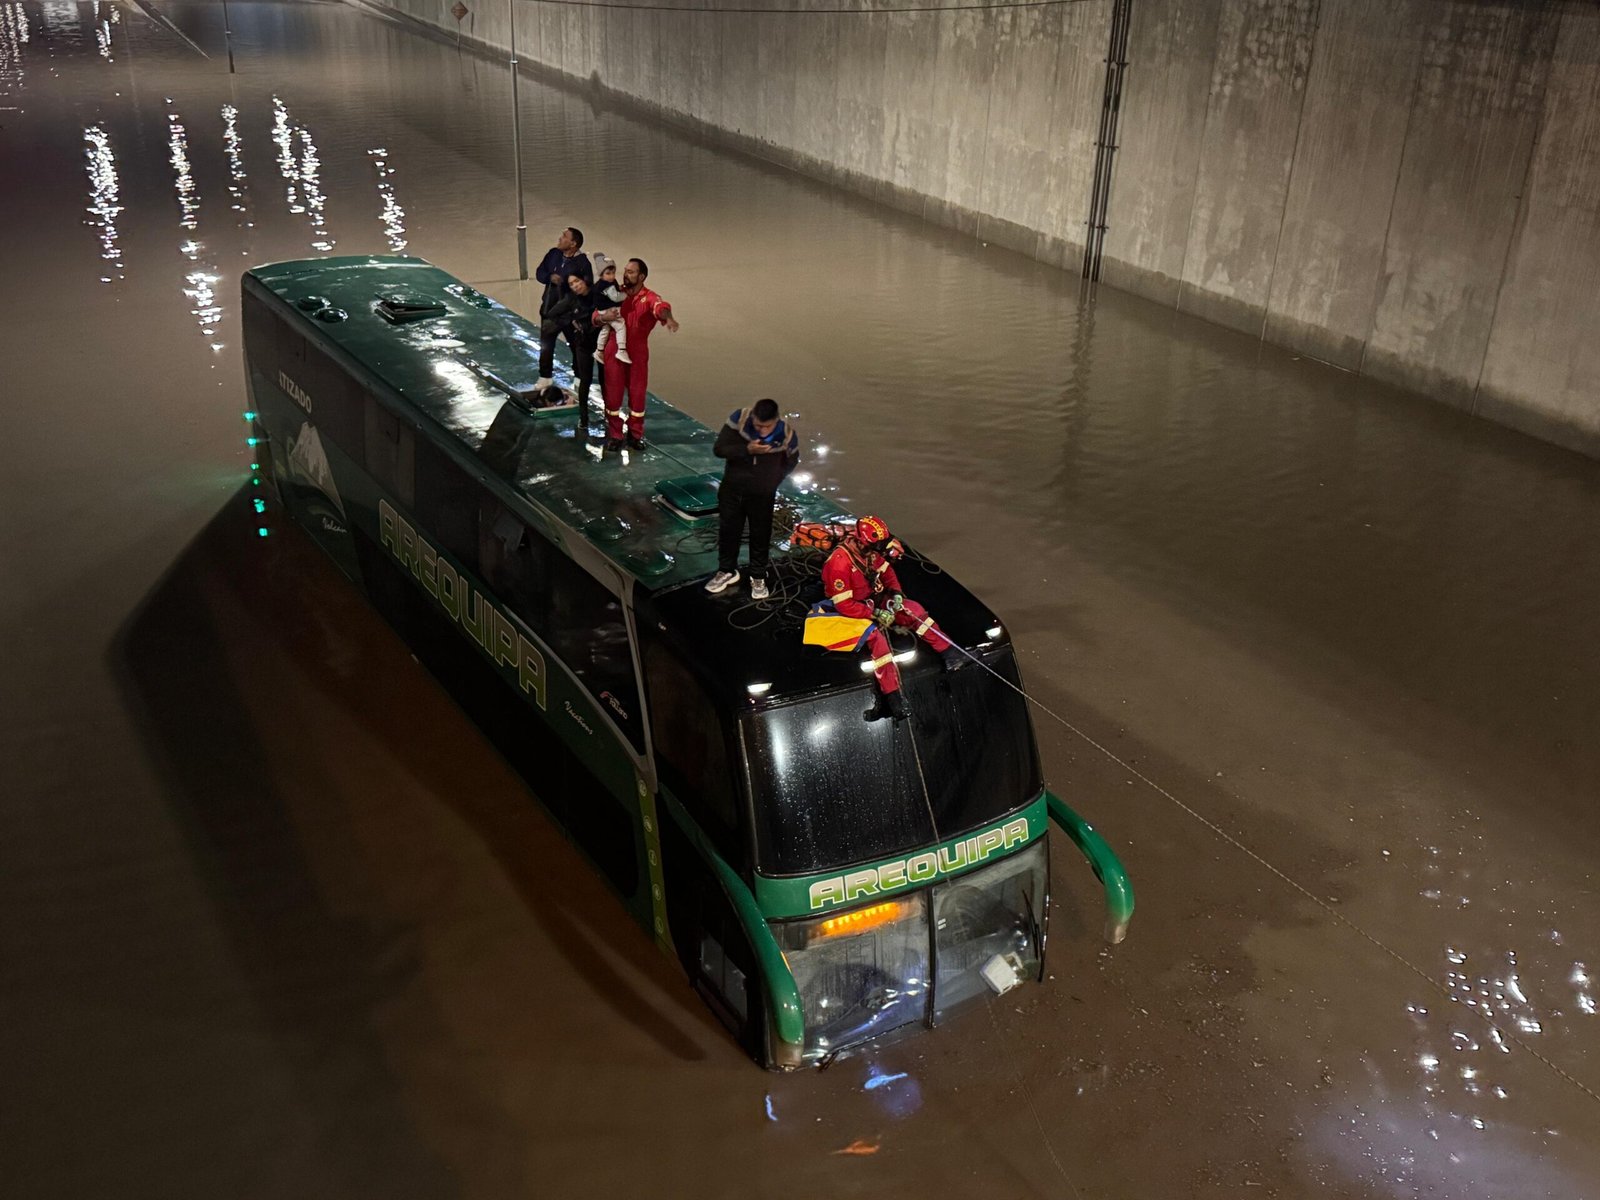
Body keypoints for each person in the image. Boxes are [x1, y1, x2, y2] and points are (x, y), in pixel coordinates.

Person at [820, 515, 961, 721]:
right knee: (877, 641)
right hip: (851, 611)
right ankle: (893, 699)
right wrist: (874, 614)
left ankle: (951, 654)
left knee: (913, 609)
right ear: (861, 541)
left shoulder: (869, 553)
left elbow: (887, 572)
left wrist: (895, 593)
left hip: (873, 601)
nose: (878, 551)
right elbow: (843, 604)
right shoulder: (839, 564)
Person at [705, 399, 800, 601]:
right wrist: (747, 449)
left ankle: (758, 576)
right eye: (757, 425)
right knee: (729, 530)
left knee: (760, 534)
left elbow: (792, 460)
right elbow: (719, 449)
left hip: (762, 495)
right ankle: (727, 571)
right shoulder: (739, 420)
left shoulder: (786, 434)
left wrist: (773, 482)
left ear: (776, 421)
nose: (761, 430)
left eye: (766, 426)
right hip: (732, 489)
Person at [597, 258, 679, 452]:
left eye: (631, 272)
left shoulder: (650, 297)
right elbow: (596, 313)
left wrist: (669, 318)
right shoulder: (616, 293)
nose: (626, 274)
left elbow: (661, 308)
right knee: (613, 395)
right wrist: (602, 317)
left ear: (641, 276)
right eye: (625, 271)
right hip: (613, 351)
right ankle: (615, 435)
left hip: (638, 354)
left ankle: (635, 435)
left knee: (637, 395)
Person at [533, 226, 593, 391]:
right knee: (546, 345)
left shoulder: (582, 263)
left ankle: (580, 378)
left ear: (573, 243)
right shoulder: (553, 254)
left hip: (570, 315)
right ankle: (545, 377)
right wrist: (549, 277)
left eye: (564, 237)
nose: (560, 238)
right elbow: (540, 272)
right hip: (550, 310)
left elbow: (587, 287)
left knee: (576, 346)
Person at [537, 272, 599, 409]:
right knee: (585, 378)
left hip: (599, 341)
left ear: (584, 280)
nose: (576, 286)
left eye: (577, 281)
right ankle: (583, 416)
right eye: (571, 284)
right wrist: (570, 319)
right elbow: (552, 313)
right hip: (584, 343)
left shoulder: (596, 294)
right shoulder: (571, 299)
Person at [590, 256, 630, 365]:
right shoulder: (606, 285)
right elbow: (615, 297)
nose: (612, 276)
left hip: (602, 310)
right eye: (608, 273)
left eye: (613, 273)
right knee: (620, 326)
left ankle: (599, 350)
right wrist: (626, 295)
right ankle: (622, 350)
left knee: (605, 329)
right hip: (609, 310)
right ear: (601, 274)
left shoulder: (601, 284)